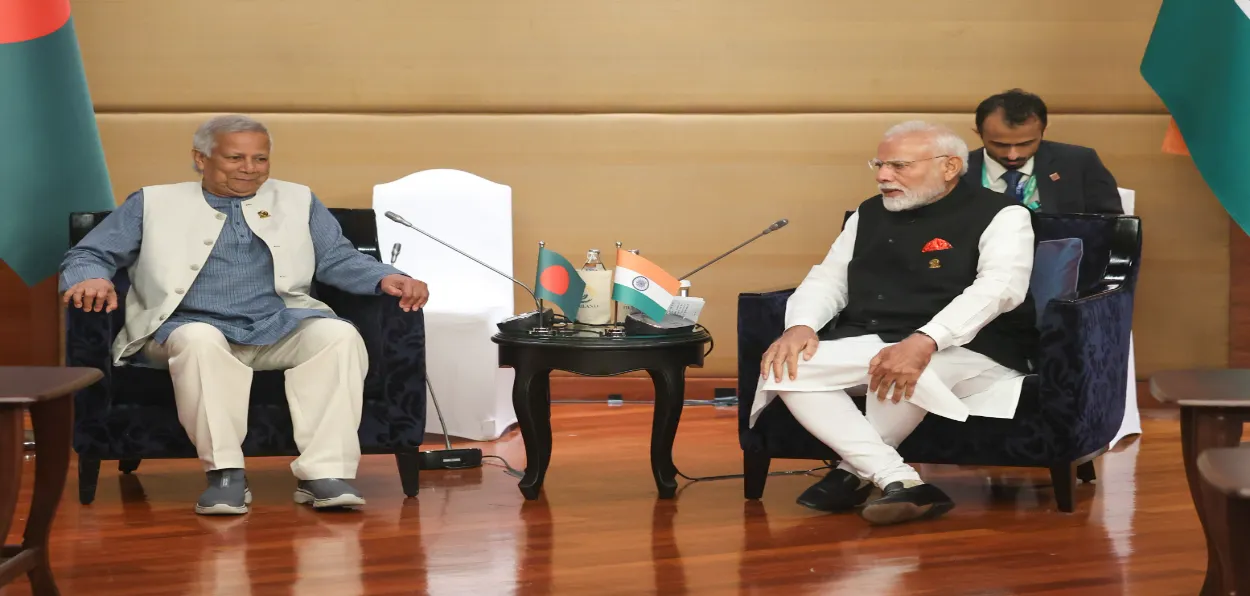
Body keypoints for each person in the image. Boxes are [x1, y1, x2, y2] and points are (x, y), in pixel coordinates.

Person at [58, 114, 430, 516]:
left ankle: (325, 474)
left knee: (337, 337)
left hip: (278, 325)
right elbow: (88, 253)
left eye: (260, 159)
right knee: (199, 340)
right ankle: (225, 476)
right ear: (201, 159)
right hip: (185, 329)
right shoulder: (152, 202)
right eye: (236, 158)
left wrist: (386, 277)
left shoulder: (298, 199)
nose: (250, 169)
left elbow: (337, 258)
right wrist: (90, 278)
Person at [753, 121, 1039, 526]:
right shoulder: (868, 214)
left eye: (899, 166)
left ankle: (852, 474)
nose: (883, 176)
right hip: (875, 336)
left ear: (949, 166)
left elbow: (999, 288)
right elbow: (829, 279)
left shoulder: (1003, 215)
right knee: (785, 367)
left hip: (973, 345)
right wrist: (802, 325)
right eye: (880, 164)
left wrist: (926, 340)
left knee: (914, 370)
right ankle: (900, 480)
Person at [965, 89, 1124, 214]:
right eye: (1000, 145)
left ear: (1043, 131)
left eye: (1025, 144)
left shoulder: (1078, 163)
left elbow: (1111, 225)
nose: (1012, 155)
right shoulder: (957, 172)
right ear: (979, 133)